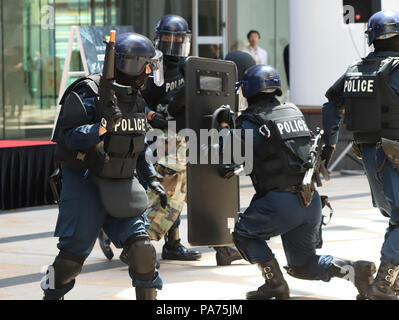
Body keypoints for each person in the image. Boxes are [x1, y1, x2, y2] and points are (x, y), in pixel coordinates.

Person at [216, 64, 377, 300]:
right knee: (302, 265)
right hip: (309, 201)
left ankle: (274, 283)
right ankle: (355, 271)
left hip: (279, 202)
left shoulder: (253, 121)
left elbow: (232, 154)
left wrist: (222, 126)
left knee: (243, 234)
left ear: (248, 90)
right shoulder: (292, 112)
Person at [41, 32, 167, 300]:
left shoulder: (136, 97)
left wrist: (152, 178)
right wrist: (102, 127)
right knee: (70, 262)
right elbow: (68, 137)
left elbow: (138, 145)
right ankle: (50, 294)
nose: (149, 71)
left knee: (143, 251)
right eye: (147, 65)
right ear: (132, 64)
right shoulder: (89, 91)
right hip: (85, 183)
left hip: (121, 182)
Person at [322, 10, 399, 300]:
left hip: (368, 153)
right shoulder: (396, 69)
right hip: (395, 153)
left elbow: (331, 105)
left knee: (394, 214)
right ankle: (382, 284)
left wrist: (329, 146)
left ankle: (393, 282)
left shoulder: (356, 69)